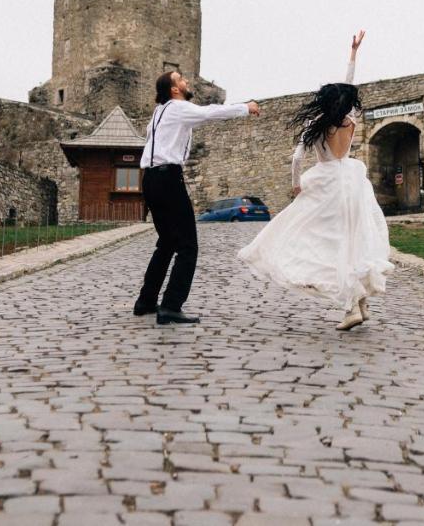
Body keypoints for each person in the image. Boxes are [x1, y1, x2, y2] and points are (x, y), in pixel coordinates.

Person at [237, 31, 392, 330]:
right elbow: (349, 86)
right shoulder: (351, 120)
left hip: (327, 182)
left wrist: (296, 185)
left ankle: (351, 308)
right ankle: (361, 302)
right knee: (354, 239)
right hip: (352, 180)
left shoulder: (316, 125)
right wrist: (353, 54)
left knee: (326, 244)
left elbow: (297, 159)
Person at [135, 70, 261, 324]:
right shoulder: (177, 108)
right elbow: (210, 113)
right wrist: (245, 108)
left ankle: (146, 301)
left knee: (167, 242)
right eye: (181, 79)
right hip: (168, 177)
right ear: (174, 89)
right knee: (187, 245)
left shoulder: (157, 114)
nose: (186, 82)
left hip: (149, 179)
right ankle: (171, 305)